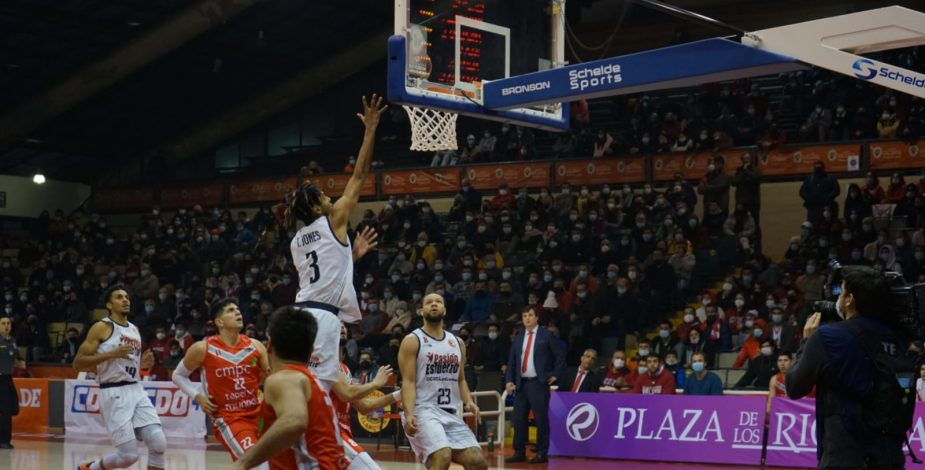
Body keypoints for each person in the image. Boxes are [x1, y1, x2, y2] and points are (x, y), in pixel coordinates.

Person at [279, 94, 386, 393]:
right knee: (322, 390)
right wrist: (369, 131)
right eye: (323, 197)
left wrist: (351, 255)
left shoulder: (297, 241)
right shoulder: (334, 219)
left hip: (299, 311)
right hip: (323, 316)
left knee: (298, 384)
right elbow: (360, 175)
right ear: (315, 208)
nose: (330, 198)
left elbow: (323, 270)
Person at [787, 266, 912, 468]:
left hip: (845, 457)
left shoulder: (828, 336)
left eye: (841, 291)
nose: (837, 296)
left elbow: (794, 387)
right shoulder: (899, 337)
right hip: (890, 457)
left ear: (849, 300)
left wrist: (806, 342)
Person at [231, 307, 346, 470]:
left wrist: (242, 463)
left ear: (269, 345)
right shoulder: (308, 379)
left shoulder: (285, 378)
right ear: (311, 350)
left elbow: (294, 421)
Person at [74, 286, 166, 470]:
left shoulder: (134, 329)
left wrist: (142, 366)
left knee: (158, 442)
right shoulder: (102, 327)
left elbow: (125, 365)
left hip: (135, 388)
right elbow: (78, 363)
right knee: (128, 456)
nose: (125, 300)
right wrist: (111, 353)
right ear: (109, 304)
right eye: (119, 297)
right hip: (113, 392)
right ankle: (90, 468)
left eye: (126, 297)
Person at [171, 299, 270, 466]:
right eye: (231, 310)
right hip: (229, 418)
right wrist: (198, 397)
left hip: (259, 415)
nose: (238, 313)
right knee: (258, 463)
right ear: (219, 322)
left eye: (238, 309)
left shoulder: (256, 346)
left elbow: (270, 376)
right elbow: (178, 375)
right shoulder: (203, 348)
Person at [397, 294, 487, 470]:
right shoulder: (412, 341)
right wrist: (408, 414)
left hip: (450, 412)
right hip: (423, 409)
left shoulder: (457, 343)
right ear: (421, 311)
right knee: (442, 455)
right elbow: (407, 382)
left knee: (477, 462)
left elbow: (460, 378)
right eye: (429, 302)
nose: (434, 305)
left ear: (445, 310)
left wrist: (468, 401)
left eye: (438, 302)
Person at [329, 323, 401, 470]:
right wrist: (375, 383)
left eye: (343, 325)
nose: (342, 327)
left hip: (340, 433)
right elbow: (346, 394)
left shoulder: (345, 368)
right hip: (330, 433)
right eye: (336, 324)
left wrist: (399, 394)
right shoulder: (324, 361)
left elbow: (364, 407)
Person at [505, 306, 565, 464]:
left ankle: (541, 452)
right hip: (521, 384)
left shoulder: (546, 335)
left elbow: (560, 356)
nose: (527, 318)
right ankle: (519, 452)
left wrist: (555, 375)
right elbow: (512, 361)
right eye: (524, 316)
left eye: (530, 315)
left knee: (540, 420)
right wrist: (509, 380)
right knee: (519, 419)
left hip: (538, 383)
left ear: (537, 317)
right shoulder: (519, 336)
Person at [0, 314, 25, 449]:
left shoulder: (13, 341)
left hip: (8, 378)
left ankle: (5, 439)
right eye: (3, 323)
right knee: (5, 410)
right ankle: (3, 441)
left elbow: (15, 358)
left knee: (12, 408)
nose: (6, 326)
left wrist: (20, 363)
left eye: (8, 323)